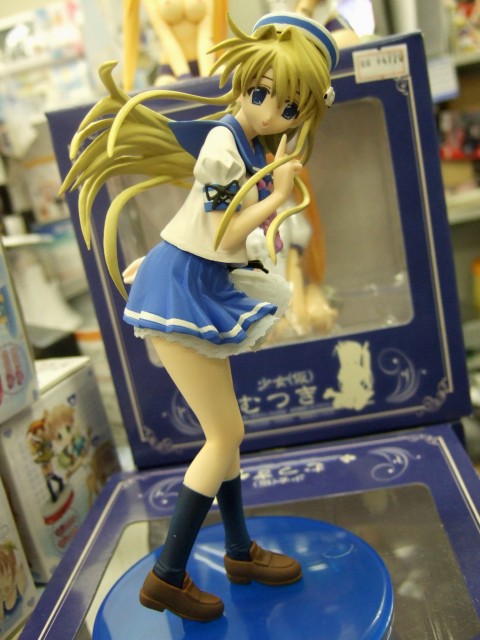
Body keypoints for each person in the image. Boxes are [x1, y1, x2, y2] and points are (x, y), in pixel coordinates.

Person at [61, 11, 338, 623]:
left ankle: (238, 552)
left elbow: (221, 226)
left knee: (228, 429)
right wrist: (278, 196)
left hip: (195, 283)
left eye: (288, 107)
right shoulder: (223, 145)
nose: (270, 112)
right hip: (183, 288)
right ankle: (167, 575)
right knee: (224, 435)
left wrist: (268, 195)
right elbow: (223, 233)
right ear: (243, 80)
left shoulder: (248, 142)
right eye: (261, 93)